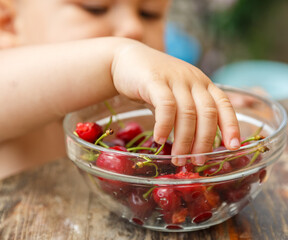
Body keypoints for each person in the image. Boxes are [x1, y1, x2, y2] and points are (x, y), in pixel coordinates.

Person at [0, 0, 241, 179]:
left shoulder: (123, 108)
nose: (133, 28)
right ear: (8, 24)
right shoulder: (11, 89)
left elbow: (172, 124)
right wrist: (116, 58)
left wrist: (206, 109)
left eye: (149, 14)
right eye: (95, 8)